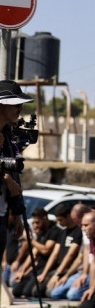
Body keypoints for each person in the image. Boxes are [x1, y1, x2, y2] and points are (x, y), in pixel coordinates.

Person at [0, 80, 33, 268]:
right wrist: (4, 177)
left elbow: (15, 176)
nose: (20, 108)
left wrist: (17, 214)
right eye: (15, 104)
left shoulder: (9, 138)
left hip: (3, 214)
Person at [11, 208, 60, 298]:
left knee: (27, 292)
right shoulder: (41, 231)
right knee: (16, 290)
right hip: (36, 267)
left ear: (44, 218)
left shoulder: (54, 231)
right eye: (34, 223)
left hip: (45, 267)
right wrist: (22, 270)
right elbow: (34, 253)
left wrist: (30, 239)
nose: (36, 225)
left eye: (37, 222)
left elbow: (45, 250)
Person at [45, 204, 87, 298]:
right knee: (39, 289)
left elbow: (71, 255)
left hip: (69, 270)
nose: (59, 223)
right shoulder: (63, 232)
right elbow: (54, 254)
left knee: (54, 293)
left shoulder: (78, 231)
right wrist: (44, 273)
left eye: (60, 220)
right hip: (59, 269)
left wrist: (59, 274)